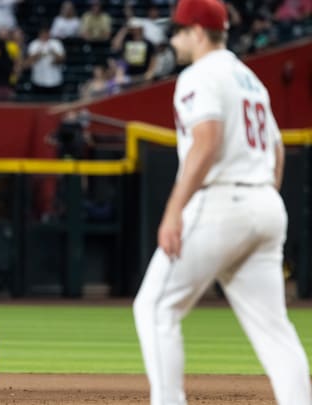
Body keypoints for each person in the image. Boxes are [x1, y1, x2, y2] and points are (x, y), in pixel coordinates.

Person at [132, 1, 312, 405]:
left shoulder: (200, 74)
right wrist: (261, 198)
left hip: (221, 202)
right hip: (265, 202)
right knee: (276, 332)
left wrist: (175, 209)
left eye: (177, 31)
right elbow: (278, 150)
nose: (174, 39)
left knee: (154, 309)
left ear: (197, 31)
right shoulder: (250, 79)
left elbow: (207, 141)